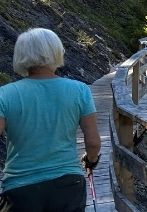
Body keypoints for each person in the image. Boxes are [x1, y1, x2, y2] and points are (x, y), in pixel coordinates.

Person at [0, 28, 101, 211]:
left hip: (21, 188)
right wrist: (91, 160)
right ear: (56, 51)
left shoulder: (4, 95)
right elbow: (93, 142)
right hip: (68, 183)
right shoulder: (79, 90)